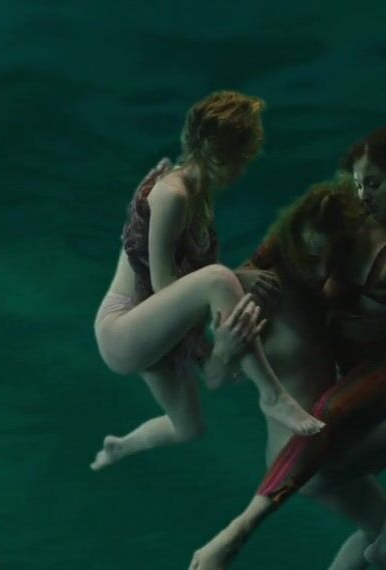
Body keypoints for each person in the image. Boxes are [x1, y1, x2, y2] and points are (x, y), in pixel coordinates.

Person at [191, 92, 386, 570]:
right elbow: (260, 264)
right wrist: (232, 298)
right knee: (379, 496)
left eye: (375, 184)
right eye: (358, 182)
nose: (363, 195)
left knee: (330, 413)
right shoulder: (342, 218)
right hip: (342, 370)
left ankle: (240, 530)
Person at [91, 91, 322, 473]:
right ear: (222, 155)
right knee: (219, 278)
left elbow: (210, 371)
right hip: (124, 329)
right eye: (243, 159)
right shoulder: (173, 195)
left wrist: (223, 346)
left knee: (189, 428)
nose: (244, 170)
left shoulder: (199, 195)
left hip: (158, 335)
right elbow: (164, 287)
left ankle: (119, 447)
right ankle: (272, 396)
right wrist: (233, 281)